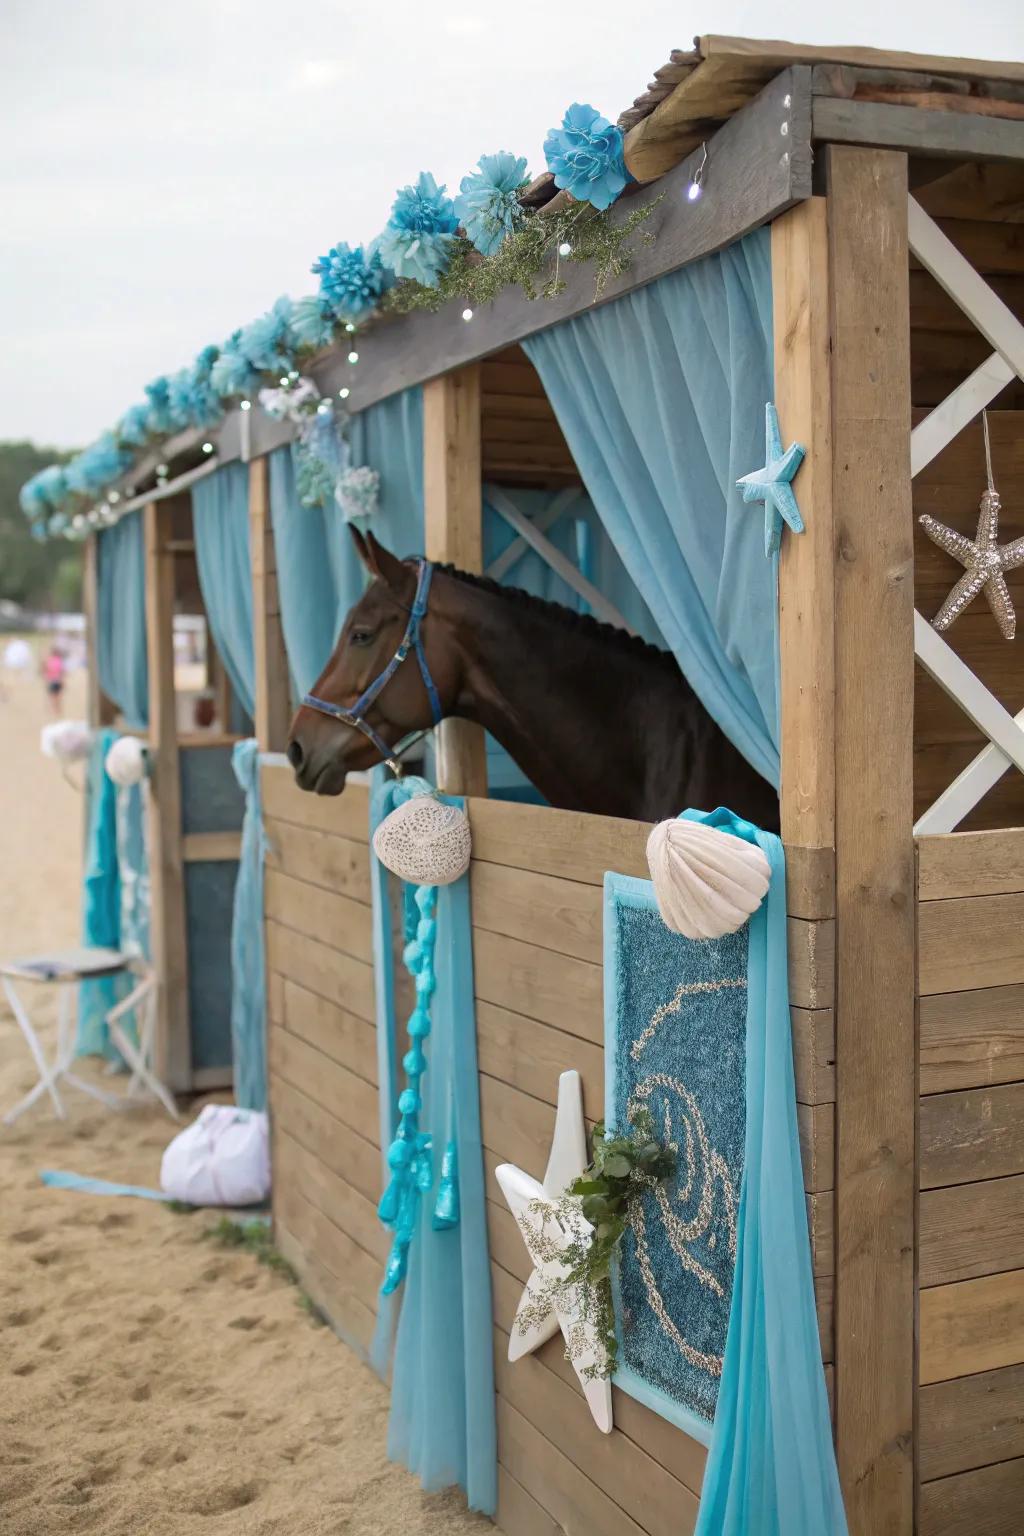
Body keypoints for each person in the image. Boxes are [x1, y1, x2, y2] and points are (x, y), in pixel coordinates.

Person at [41, 642, 66, 717]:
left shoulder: (49, 660)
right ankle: (57, 710)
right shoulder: (59, 660)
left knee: (53, 697)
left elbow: (45, 670)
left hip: (52, 681)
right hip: (58, 681)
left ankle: (55, 710)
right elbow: (62, 671)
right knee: (58, 698)